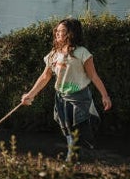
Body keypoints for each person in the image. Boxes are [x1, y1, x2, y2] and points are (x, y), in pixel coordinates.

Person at [21, 18, 112, 161]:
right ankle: (73, 154)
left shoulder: (82, 53)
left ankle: (74, 157)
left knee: (79, 128)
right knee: (67, 128)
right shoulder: (53, 54)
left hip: (79, 98)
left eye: (61, 31)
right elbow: (45, 77)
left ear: (71, 33)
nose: (57, 33)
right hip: (61, 97)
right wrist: (30, 95)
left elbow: (94, 76)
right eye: (56, 30)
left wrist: (105, 96)